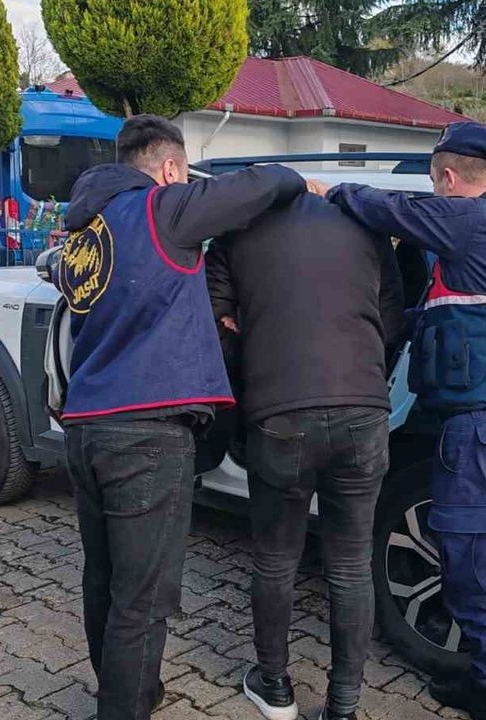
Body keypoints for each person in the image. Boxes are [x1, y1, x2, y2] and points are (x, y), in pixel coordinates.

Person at [53, 114, 309, 720]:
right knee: (143, 599)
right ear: (170, 170)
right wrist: (304, 183)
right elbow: (266, 182)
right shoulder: (163, 209)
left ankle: (129, 690)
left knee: (104, 579)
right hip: (147, 435)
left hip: (87, 427)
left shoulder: (86, 231)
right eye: (186, 175)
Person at [312, 122, 486, 720]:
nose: (435, 195)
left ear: (449, 178)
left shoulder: (473, 221)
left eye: (435, 184)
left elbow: (393, 210)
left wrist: (333, 193)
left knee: (479, 569)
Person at [207, 192, 406, 720]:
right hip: (363, 410)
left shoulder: (235, 226)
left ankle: (274, 687)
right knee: (351, 565)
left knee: (275, 559)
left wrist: (255, 358)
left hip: (279, 414)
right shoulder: (366, 226)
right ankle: (343, 708)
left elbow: (215, 326)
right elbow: (392, 321)